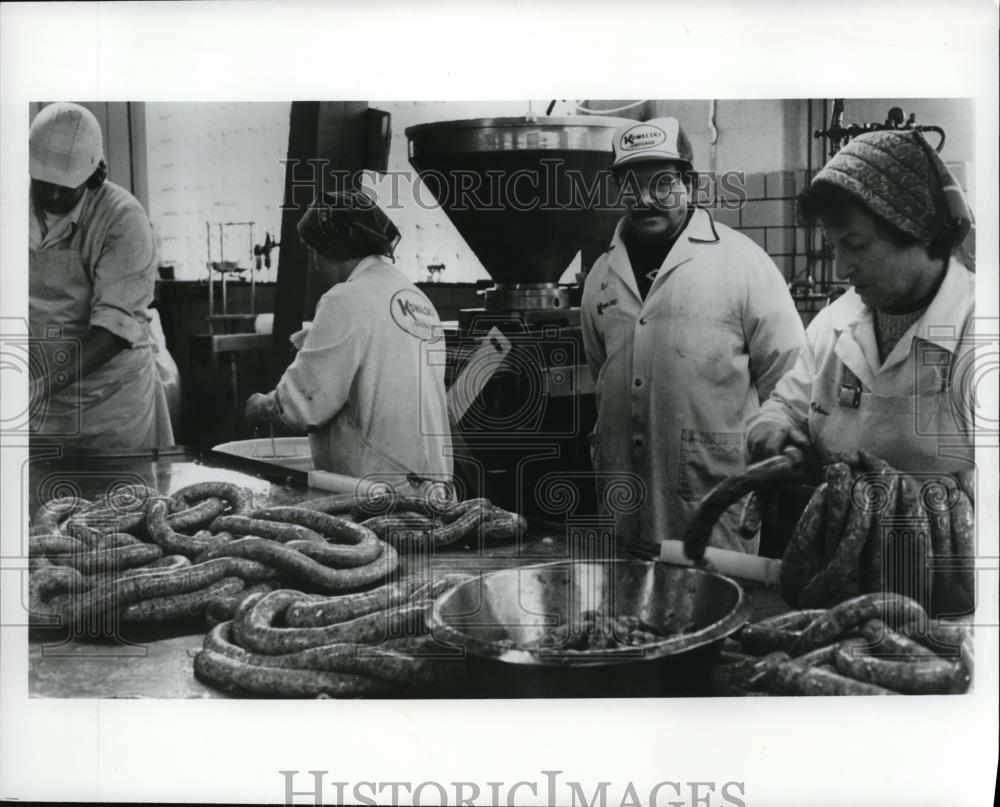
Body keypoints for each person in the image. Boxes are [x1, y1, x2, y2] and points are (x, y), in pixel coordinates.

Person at [581, 117, 806, 553]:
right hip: (625, 503)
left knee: (717, 611)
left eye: (663, 183)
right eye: (631, 185)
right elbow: (602, 371)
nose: (645, 199)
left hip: (715, 502)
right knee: (629, 614)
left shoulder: (743, 263)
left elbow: (790, 384)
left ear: (689, 183)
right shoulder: (601, 276)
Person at [747, 130, 976, 473]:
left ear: (914, 230)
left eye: (856, 244)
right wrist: (771, 427)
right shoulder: (832, 325)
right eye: (834, 247)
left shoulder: (979, 326)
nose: (841, 269)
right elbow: (786, 408)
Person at [244, 190, 453, 494]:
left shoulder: (344, 298)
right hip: (435, 487)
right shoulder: (416, 298)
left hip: (380, 493)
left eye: (314, 251)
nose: (315, 264)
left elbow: (305, 403)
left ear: (331, 247)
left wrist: (262, 406)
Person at [29, 102, 174, 450]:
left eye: (66, 187)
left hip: (111, 407)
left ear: (92, 176)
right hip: (37, 407)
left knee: (121, 499)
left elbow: (113, 329)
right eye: (45, 182)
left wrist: (37, 388)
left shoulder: (123, 219)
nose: (52, 195)